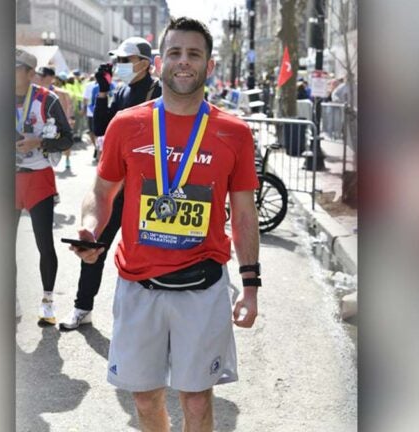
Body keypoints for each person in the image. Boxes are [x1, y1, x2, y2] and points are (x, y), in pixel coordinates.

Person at [71, 17, 261, 431]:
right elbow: (102, 193)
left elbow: (245, 214)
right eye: (175, 52)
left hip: (203, 287)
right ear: (159, 62)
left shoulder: (235, 133)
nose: (183, 62)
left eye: (194, 54)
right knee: (144, 399)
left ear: (209, 66)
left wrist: (250, 287)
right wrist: (91, 228)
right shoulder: (127, 124)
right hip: (139, 285)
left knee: (196, 401)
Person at [58, 36, 161, 330]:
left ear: (144, 62)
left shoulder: (159, 91)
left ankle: (146, 321)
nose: (120, 66)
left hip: (148, 189)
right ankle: (82, 307)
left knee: (145, 253)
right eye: (117, 60)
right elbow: (100, 128)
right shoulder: (120, 90)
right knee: (94, 245)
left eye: (125, 60)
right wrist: (102, 92)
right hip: (115, 186)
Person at [14, 48, 73, 326]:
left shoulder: (46, 99)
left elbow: (67, 138)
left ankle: (48, 300)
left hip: (38, 177)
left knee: (43, 243)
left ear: (29, 73)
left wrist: (39, 142)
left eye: (15, 69)